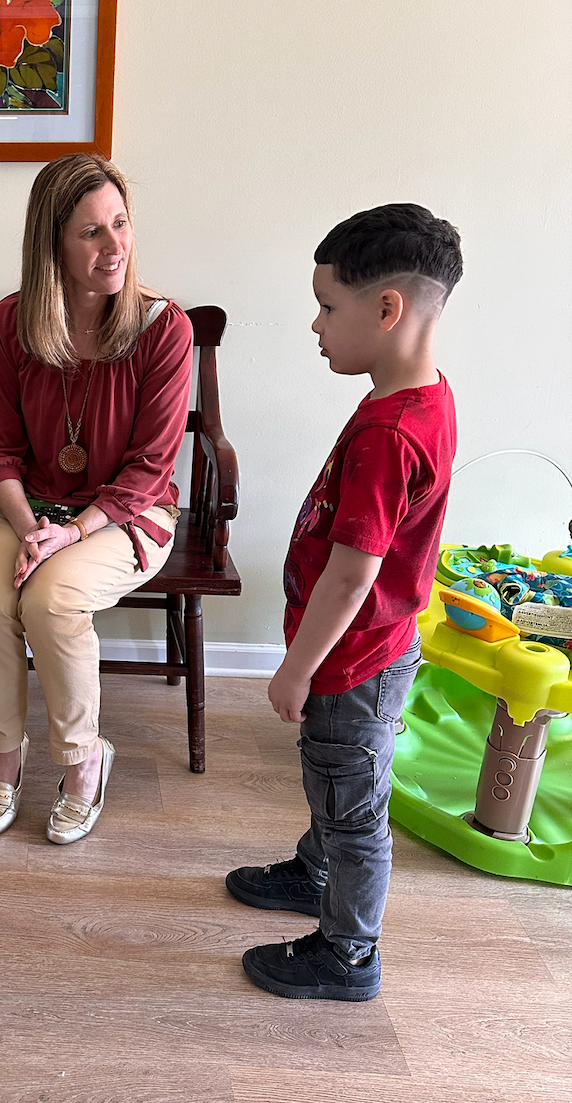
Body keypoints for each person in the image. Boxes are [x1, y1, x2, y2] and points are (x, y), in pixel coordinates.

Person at [226, 203, 463, 1001]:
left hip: (352, 659)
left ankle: (348, 954)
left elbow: (352, 575)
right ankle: (313, 867)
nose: (316, 325)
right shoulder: (422, 400)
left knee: (352, 803)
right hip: (376, 647)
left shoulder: (390, 435)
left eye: (328, 306)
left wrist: (296, 668)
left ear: (386, 308)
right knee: (338, 784)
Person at [0, 154, 193, 844]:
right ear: (53, 242)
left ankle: (82, 756)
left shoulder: (162, 328)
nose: (113, 245)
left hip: (128, 513)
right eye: (91, 232)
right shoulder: (11, 324)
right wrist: (35, 527)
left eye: (120, 224)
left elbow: (152, 466)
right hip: (29, 505)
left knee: (50, 598)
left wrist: (71, 533)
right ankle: (7, 750)